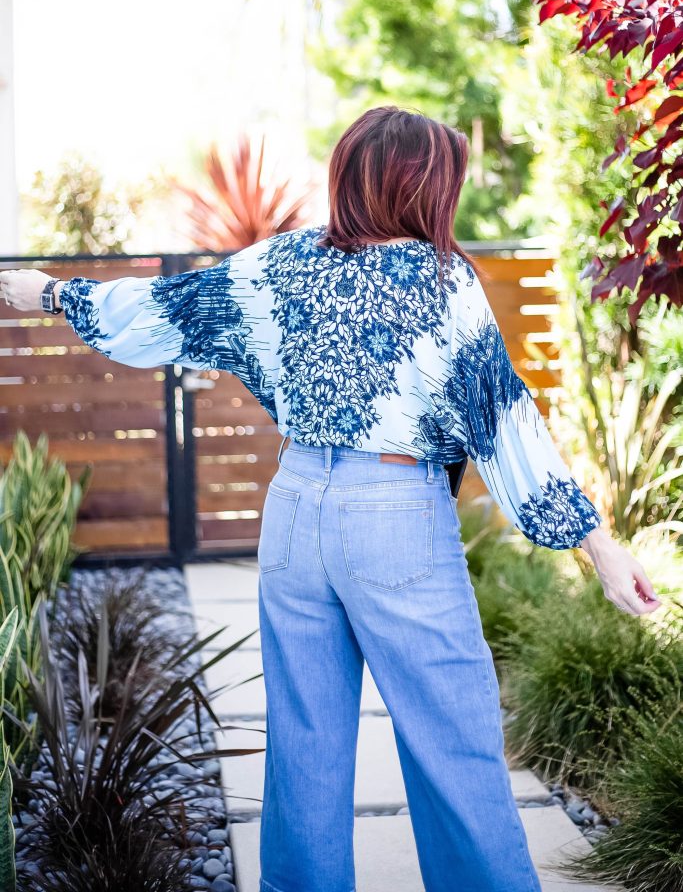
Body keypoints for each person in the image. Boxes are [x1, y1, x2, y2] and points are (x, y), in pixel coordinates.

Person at [1, 106, 662, 892]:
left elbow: (162, 312)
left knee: (305, 742)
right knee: (451, 737)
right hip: (394, 517)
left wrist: (49, 293)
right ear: (422, 188)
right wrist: (596, 545)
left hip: (294, 507)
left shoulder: (279, 262)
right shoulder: (441, 279)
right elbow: (504, 421)